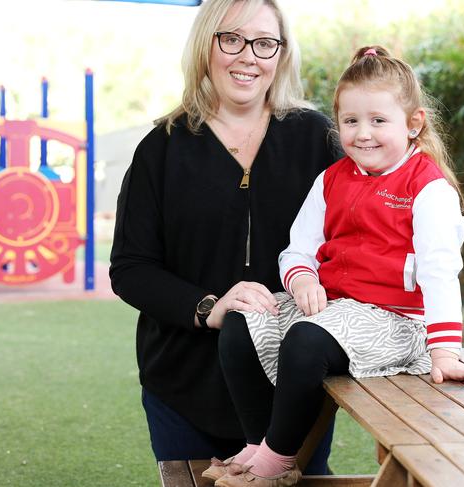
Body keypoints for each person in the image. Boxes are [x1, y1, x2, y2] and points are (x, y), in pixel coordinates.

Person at [209, 46, 464, 487]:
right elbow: (297, 250)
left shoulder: (428, 187)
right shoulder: (332, 178)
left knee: (306, 339)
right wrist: (301, 278)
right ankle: (256, 445)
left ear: (413, 123)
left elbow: (440, 272)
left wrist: (444, 351)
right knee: (242, 320)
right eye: (350, 121)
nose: (363, 134)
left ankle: (278, 461)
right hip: (338, 310)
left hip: (399, 321)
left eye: (379, 121)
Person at [109, 0, 340, 475]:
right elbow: (130, 267)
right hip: (183, 383)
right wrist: (208, 307)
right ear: (206, 46)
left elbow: (354, 239)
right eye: (230, 39)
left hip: (293, 390)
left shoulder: (317, 138)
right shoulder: (162, 148)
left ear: (281, 54)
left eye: (264, 43)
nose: (247, 56)